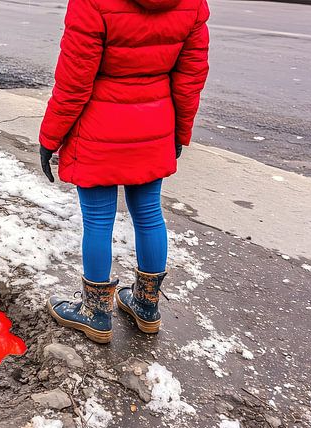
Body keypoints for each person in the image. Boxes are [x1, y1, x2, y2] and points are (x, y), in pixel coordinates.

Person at [39, 0, 210, 343]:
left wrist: (50, 137)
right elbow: (191, 77)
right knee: (149, 214)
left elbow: (74, 81)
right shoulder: (192, 4)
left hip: (98, 127)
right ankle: (146, 307)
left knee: (99, 221)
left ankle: (95, 312)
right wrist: (179, 132)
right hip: (154, 123)